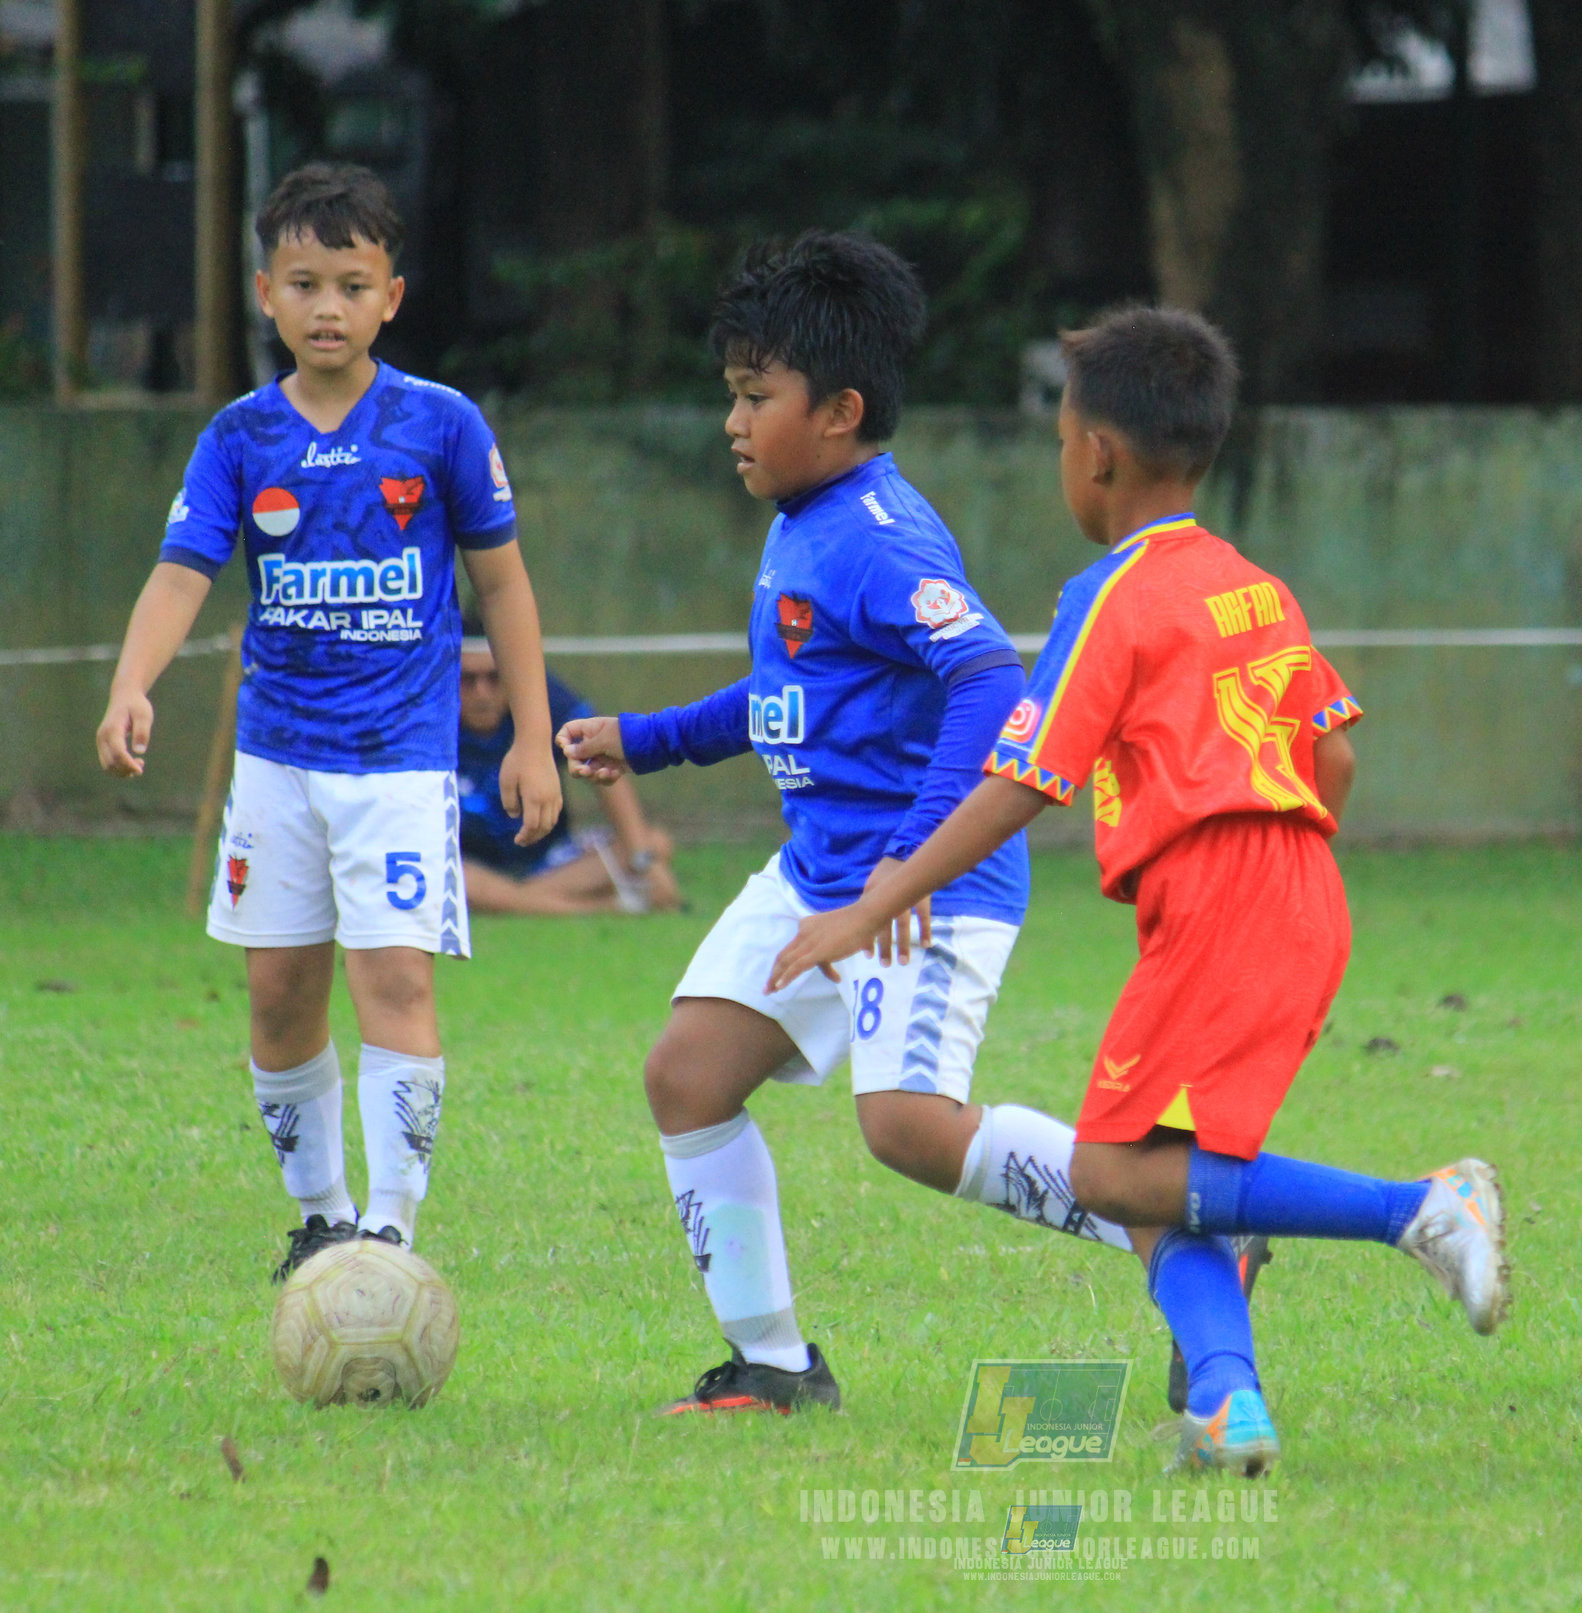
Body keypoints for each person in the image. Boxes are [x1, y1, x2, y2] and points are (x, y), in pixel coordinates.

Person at [768, 306, 1510, 1475]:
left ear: (1095, 455)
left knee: (1114, 1175)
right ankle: (1226, 1403)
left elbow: (1025, 780)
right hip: (1302, 889)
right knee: (1165, 1176)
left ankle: (1419, 1209)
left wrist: (875, 901)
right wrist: (1282, 878)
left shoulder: (1109, 595)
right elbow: (1337, 758)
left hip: (1220, 901)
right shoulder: (1252, 585)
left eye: (1061, 438)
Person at [557, 232, 1134, 1417]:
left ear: (840, 410)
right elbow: (782, 699)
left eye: (756, 397)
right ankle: (772, 1367)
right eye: (733, 394)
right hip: (816, 873)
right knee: (687, 1076)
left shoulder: (878, 535)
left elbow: (989, 682)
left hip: (920, 883)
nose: (733, 422)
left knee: (909, 1126)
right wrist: (647, 736)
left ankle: (1172, 1227)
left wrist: (909, 863)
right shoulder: (799, 521)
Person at [94, 162, 562, 1280]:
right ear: (266, 293)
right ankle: (321, 1214)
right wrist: (130, 682)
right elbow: (180, 573)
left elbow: (503, 586)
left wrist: (535, 736)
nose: (327, 308)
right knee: (277, 991)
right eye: (304, 283)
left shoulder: (441, 425)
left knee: (394, 979)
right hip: (277, 766)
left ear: (390, 295)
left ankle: (391, 1233)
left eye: (351, 285)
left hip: (401, 763)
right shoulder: (240, 437)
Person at [456, 630, 682, 915]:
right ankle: (604, 908)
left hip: (551, 861)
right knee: (454, 878)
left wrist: (642, 861)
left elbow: (600, 758)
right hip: (470, 864)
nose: (482, 693)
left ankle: (510, 901)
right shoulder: (430, 718)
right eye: (467, 680)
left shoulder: (539, 696)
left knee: (653, 843)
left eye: (494, 678)